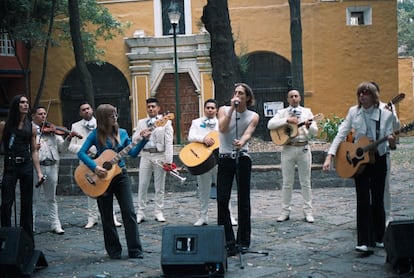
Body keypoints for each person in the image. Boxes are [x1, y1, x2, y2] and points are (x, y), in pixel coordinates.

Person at [323, 81, 396, 254]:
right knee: (362, 199)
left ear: (373, 95)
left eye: (366, 93)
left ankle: (379, 237)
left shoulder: (385, 114)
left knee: (377, 199)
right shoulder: (353, 112)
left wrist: (391, 142)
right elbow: (342, 132)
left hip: (378, 158)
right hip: (358, 161)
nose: (362, 96)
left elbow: (391, 143)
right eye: (360, 93)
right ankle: (364, 241)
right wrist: (330, 155)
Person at [78, 104, 148, 259]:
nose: (115, 118)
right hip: (102, 179)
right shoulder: (95, 135)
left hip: (120, 176)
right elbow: (81, 153)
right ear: (104, 118)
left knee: (129, 212)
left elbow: (134, 153)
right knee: (107, 215)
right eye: (112, 116)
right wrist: (95, 167)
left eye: (116, 115)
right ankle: (114, 251)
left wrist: (143, 140)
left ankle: (135, 250)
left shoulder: (122, 133)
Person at [217, 83, 259, 256]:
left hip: (242, 158)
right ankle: (227, 240)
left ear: (247, 98)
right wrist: (231, 111)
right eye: (235, 93)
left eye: (241, 93)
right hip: (225, 158)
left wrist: (242, 141)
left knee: (243, 200)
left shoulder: (253, 115)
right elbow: (222, 128)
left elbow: (248, 132)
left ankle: (243, 241)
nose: (237, 95)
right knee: (222, 199)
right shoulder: (223, 110)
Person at [68, 102, 122, 229]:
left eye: (88, 108)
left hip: (103, 160)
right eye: (83, 110)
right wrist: (85, 149)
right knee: (91, 189)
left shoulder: (104, 121)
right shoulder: (75, 126)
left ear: (92, 110)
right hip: (87, 162)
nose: (86, 111)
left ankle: (112, 217)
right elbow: (71, 146)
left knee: (107, 188)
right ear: (80, 113)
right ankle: (92, 218)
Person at [267, 89, 318, 223]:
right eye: (291, 96)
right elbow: (270, 124)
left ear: (300, 98)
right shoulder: (282, 112)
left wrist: (308, 125)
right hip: (288, 149)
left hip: (303, 148)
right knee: (287, 182)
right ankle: (285, 211)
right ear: (288, 99)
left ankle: (308, 212)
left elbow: (315, 132)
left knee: (305, 182)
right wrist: (286, 120)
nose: (294, 98)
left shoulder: (307, 112)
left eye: (296, 96)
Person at [0, 95, 44, 245]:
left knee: (27, 204)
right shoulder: (4, 125)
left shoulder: (31, 127)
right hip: (10, 165)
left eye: (26, 102)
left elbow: (34, 151)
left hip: (26, 165)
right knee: (6, 203)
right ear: (16, 105)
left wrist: (39, 172)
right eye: (22, 102)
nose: (26, 105)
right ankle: (5, 239)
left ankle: (27, 241)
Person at [187, 99, 238, 226]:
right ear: (204, 109)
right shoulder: (196, 122)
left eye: (212, 108)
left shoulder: (221, 123)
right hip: (202, 160)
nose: (210, 110)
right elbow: (190, 137)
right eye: (207, 108)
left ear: (216, 110)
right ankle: (203, 216)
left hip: (218, 159)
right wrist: (203, 139)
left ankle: (229, 216)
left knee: (223, 189)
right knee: (203, 190)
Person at [32, 106, 76, 234]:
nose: (43, 116)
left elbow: (62, 149)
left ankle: (55, 224)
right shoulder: (29, 130)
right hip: (36, 167)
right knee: (34, 198)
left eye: (45, 114)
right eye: (40, 114)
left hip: (51, 166)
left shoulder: (52, 130)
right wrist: (33, 148)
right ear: (33, 116)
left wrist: (68, 138)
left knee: (51, 198)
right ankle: (31, 224)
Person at [133, 98, 173, 223]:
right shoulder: (141, 122)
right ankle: (140, 212)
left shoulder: (165, 122)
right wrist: (141, 135)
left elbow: (169, 142)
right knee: (143, 184)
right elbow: (134, 140)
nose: (151, 109)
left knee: (159, 186)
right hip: (145, 155)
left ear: (158, 108)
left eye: (153, 106)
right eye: (149, 106)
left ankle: (158, 211)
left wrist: (168, 160)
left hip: (159, 155)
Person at [371, 82, 401, 226]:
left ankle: (387, 215)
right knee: (368, 187)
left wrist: (391, 114)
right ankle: (372, 216)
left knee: (385, 186)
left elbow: (397, 126)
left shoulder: (387, 107)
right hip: (367, 154)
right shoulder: (361, 109)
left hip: (383, 152)